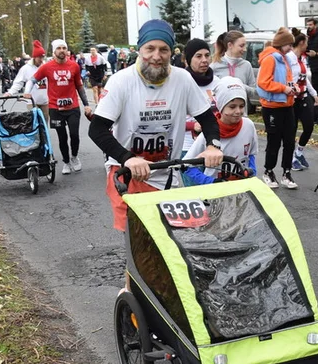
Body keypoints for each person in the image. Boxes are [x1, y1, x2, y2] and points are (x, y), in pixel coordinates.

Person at [87, 20, 223, 231]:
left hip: (166, 171)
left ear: (172, 52)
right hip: (127, 172)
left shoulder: (183, 79)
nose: (156, 56)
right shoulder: (121, 81)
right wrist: (128, 158)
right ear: (140, 50)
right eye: (150, 48)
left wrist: (213, 146)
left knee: (177, 236)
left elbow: (207, 119)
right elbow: (96, 129)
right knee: (141, 237)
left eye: (164, 50)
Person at [183, 76, 258, 181]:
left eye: (241, 106)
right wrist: (210, 182)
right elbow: (186, 165)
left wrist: (251, 172)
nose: (238, 111)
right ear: (221, 106)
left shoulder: (249, 125)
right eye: (232, 107)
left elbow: (251, 155)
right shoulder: (209, 133)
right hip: (216, 192)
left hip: (241, 189)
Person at [33, 39, 90, 175]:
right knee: (62, 137)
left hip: (73, 107)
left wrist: (86, 104)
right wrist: (27, 92)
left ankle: (74, 157)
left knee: (74, 135)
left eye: (64, 48)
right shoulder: (47, 67)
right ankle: (66, 162)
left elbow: (79, 86)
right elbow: (33, 80)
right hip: (55, 108)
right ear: (54, 51)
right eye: (59, 48)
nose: (62, 51)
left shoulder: (74, 66)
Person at [257, 27, 299, 190]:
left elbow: (286, 80)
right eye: (289, 44)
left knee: (289, 141)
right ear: (281, 44)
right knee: (274, 141)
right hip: (272, 106)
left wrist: (292, 87)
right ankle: (268, 171)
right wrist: (284, 88)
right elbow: (264, 82)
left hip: (287, 105)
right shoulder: (270, 59)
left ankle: (286, 172)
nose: (291, 48)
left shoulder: (284, 58)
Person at [182, 38, 222, 155]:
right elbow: (170, 120)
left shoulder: (217, 82)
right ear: (189, 59)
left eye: (207, 55)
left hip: (211, 146)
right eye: (198, 56)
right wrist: (192, 125)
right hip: (186, 147)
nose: (204, 60)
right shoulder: (181, 82)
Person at [288, 30, 318, 170]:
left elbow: (304, 78)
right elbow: (288, 78)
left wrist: (314, 93)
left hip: (304, 97)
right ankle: (291, 159)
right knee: (292, 130)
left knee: (309, 126)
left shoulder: (302, 58)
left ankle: (299, 152)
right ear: (301, 43)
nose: (308, 45)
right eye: (306, 42)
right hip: (292, 100)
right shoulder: (289, 58)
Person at [210, 31, 258, 109]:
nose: (245, 49)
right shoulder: (214, 67)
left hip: (241, 115)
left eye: (245, 46)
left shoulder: (246, 65)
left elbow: (254, 92)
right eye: (241, 46)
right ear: (230, 45)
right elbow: (209, 92)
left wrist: (240, 86)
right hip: (220, 116)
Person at [8, 39, 49, 112]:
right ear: (34, 57)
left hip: (45, 101)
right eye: (39, 57)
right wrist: (10, 92)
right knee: (35, 121)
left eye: (42, 57)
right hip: (32, 101)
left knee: (45, 122)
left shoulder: (46, 67)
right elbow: (18, 82)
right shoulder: (26, 68)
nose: (41, 59)